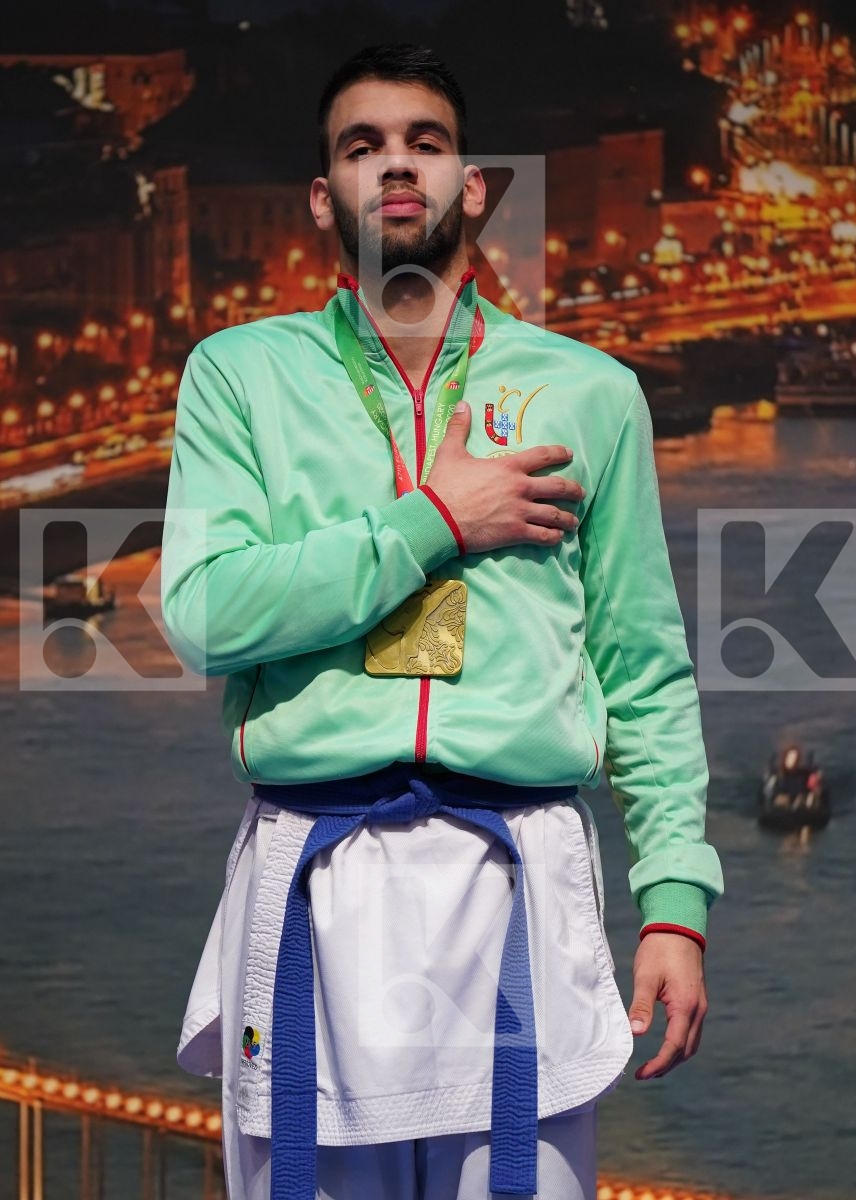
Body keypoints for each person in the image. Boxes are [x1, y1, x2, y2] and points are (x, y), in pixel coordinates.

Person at [161, 42, 725, 1200]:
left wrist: (675, 901)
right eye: (362, 147)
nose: (396, 165)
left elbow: (643, 667)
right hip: (317, 886)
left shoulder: (592, 391)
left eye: (425, 141)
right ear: (326, 198)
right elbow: (204, 614)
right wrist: (432, 521)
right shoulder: (237, 376)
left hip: (517, 874)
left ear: (475, 186)